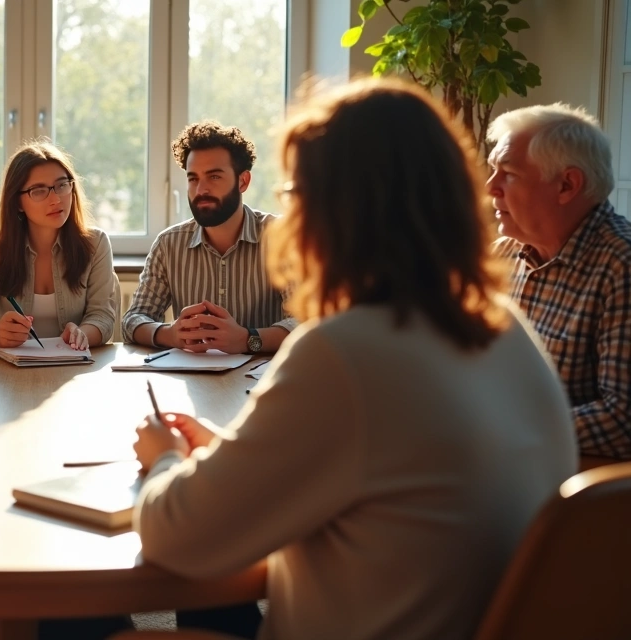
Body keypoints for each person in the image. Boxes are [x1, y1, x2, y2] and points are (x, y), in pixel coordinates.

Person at [132, 78, 576, 640]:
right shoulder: (504, 329)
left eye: (295, 194)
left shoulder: (342, 352)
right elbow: (385, 471)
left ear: (333, 208)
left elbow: (177, 535)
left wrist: (166, 457)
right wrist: (229, 455)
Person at [486, 104, 631, 460]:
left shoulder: (621, 266)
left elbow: (622, 420)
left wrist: (503, 430)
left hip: (574, 493)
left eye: (508, 173)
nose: (491, 188)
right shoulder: (504, 253)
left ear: (567, 185)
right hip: (503, 464)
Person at [122, 121, 295, 355]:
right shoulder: (169, 244)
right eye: (193, 178)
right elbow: (133, 319)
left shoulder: (281, 238)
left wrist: (247, 339)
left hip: (261, 382)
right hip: (194, 380)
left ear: (243, 181)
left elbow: (306, 322)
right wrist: (170, 334)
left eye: (214, 177)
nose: (201, 189)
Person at [0, 141, 116, 350]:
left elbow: (103, 316)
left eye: (62, 185)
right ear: (17, 202)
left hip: (75, 367)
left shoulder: (95, 244)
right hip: (11, 372)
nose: (56, 198)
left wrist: (82, 334)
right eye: (38, 191)